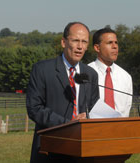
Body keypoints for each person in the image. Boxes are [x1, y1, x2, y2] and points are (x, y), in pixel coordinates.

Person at [26, 22, 99, 163]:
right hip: (50, 149)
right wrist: (68, 124)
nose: (80, 46)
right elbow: (34, 108)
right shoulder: (42, 70)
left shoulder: (91, 75)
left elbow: (93, 108)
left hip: (82, 151)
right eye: (75, 40)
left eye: (84, 42)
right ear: (63, 42)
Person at [88, 28, 133, 117]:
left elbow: (127, 110)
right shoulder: (85, 74)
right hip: (92, 128)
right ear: (97, 48)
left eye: (116, 42)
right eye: (110, 43)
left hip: (120, 128)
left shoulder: (126, 77)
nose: (115, 46)